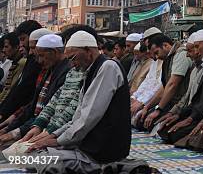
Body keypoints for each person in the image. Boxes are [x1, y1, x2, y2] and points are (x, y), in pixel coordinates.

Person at [27, 30, 131, 172]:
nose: (72, 65)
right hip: (88, 145)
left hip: (101, 151)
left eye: (73, 58)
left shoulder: (108, 67)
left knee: (38, 161)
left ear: (88, 51)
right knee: (31, 156)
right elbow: (78, 116)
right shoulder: (89, 71)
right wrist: (53, 135)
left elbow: (88, 118)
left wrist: (56, 141)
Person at [157, 29, 203, 144]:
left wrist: (191, 119)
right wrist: (179, 114)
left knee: (176, 134)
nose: (197, 51)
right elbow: (196, 98)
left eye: (197, 46)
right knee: (165, 129)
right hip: (197, 112)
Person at [0, 34, 71, 148]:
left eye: (42, 56)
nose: (39, 61)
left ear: (54, 52)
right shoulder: (50, 69)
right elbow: (33, 105)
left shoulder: (67, 72)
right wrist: (10, 128)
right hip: (33, 127)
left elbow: (52, 110)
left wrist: (17, 131)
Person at [139, 33, 192, 131]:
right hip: (170, 103)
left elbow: (172, 85)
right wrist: (147, 106)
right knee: (142, 119)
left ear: (165, 45)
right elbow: (164, 86)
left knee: (159, 127)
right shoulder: (167, 59)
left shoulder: (181, 55)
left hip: (180, 105)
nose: (156, 57)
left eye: (156, 52)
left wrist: (159, 110)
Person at [0, 22, 46, 124]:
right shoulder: (30, 61)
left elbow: (23, 91)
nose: (22, 45)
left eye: (23, 39)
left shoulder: (33, 63)